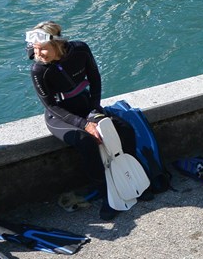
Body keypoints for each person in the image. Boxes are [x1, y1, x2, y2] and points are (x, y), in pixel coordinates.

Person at [27, 21, 148, 221]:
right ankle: (105, 193)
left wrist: (94, 111)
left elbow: (95, 79)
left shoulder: (80, 50)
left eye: (42, 49)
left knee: (124, 130)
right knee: (86, 142)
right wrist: (84, 124)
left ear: (57, 45)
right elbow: (51, 106)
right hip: (60, 117)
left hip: (87, 106)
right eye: (35, 49)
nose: (38, 54)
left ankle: (132, 179)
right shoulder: (38, 70)